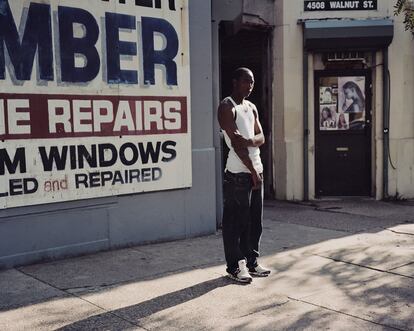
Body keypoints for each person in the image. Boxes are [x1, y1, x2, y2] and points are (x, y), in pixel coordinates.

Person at [217, 67, 271, 283]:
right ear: (235, 82)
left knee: (254, 222)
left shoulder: (251, 107)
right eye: (246, 81)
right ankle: (235, 266)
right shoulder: (226, 107)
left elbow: (261, 137)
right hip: (238, 175)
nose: (250, 86)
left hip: (256, 170)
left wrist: (250, 141)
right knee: (235, 223)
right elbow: (236, 146)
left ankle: (251, 261)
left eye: (252, 82)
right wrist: (252, 171)